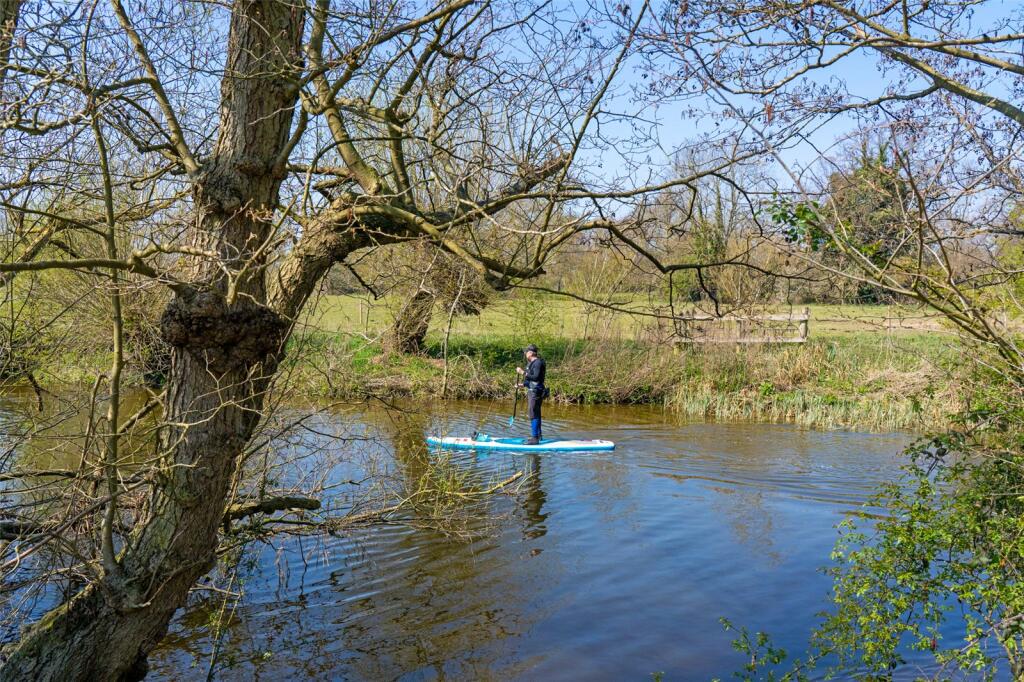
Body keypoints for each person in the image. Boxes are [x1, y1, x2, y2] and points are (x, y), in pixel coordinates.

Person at [516, 344, 547, 444]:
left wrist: (522, 372)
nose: (525, 354)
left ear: (530, 353)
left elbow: (536, 377)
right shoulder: (531, 363)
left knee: (533, 413)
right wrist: (523, 384)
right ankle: (539, 436)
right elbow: (531, 379)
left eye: (526, 352)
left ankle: (535, 438)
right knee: (535, 413)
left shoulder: (538, 363)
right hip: (532, 390)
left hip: (536, 392)